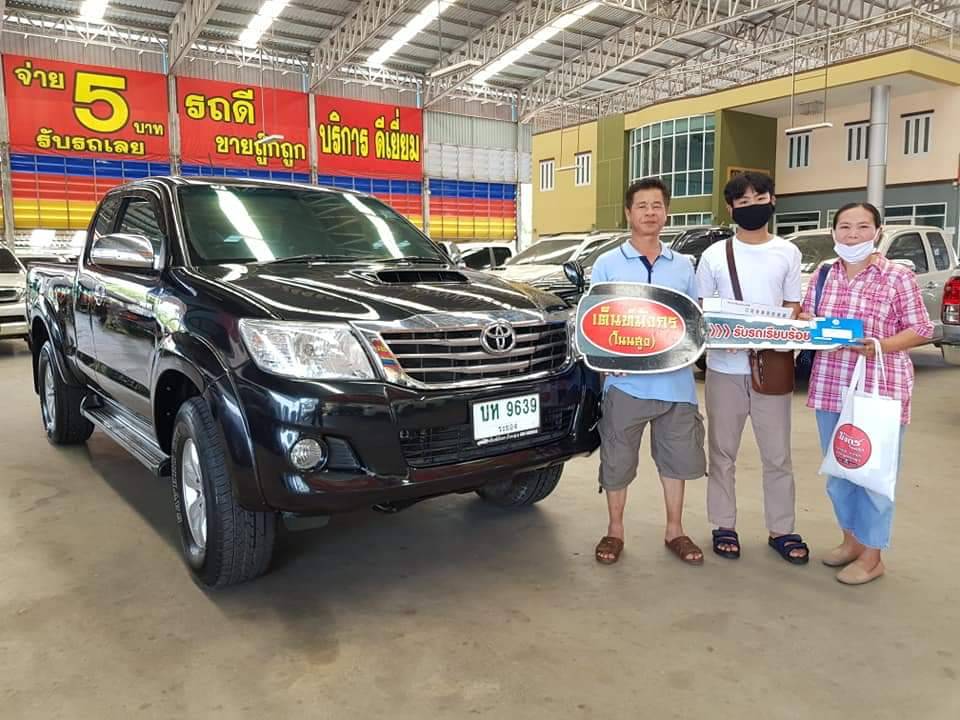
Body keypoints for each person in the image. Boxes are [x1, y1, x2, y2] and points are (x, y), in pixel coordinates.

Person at [800, 202, 932, 585]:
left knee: (873, 475)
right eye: (844, 227)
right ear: (834, 232)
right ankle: (852, 541)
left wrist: (879, 345)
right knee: (840, 472)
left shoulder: (897, 276)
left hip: (879, 388)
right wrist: (807, 324)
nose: (852, 234)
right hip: (831, 385)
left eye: (862, 227)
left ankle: (873, 556)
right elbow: (808, 317)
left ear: (878, 231)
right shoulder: (824, 274)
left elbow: (921, 328)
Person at [696, 171, 810, 565]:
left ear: (772, 201)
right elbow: (703, 310)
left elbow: (792, 305)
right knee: (722, 453)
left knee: (777, 455)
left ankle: (782, 529)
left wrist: (778, 331)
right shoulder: (714, 255)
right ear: (731, 209)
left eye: (759, 199)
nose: (752, 207)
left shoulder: (787, 252)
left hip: (772, 365)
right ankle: (723, 524)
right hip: (724, 368)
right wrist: (724, 332)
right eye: (743, 202)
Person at [592, 177, 707, 566]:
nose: (650, 212)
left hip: (676, 384)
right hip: (625, 386)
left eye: (657, 205)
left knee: (676, 460)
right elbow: (596, 322)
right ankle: (615, 531)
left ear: (666, 213)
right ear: (628, 212)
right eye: (641, 205)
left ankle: (675, 530)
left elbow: (693, 320)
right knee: (617, 460)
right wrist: (610, 364)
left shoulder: (683, 265)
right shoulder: (607, 264)